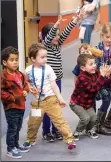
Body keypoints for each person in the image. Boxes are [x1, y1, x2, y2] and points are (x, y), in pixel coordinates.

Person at [22, 43, 76, 150]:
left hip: (50, 100)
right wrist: (29, 88)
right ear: (33, 58)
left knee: (59, 120)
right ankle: (30, 139)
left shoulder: (48, 69)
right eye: (42, 57)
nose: (45, 59)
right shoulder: (28, 70)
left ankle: (69, 139)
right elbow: (26, 82)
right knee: (33, 122)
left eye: (46, 56)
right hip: (37, 103)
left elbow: (54, 85)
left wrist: (60, 98)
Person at [39, 14, 82, 142]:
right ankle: (46, 132)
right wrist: (56, 25)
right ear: (48, 37)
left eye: (58, 34)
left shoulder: (57, 45)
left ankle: (55, 130)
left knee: (56, 106)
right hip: (47, 83)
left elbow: (66, 32)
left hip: (57, 81)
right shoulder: (45, 46)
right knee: (48, 107)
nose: (58, 37)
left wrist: (75, 20)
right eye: (55, 35)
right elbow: (50, 36)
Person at [69, 54, 111, 140]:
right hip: (77, 103)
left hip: (88, 103)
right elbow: (93, 88)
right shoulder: (82, 78)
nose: (94, 65)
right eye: (91, 64)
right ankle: (77, 131)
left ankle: (88, 130)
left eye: (94, 63)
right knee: (85, 118)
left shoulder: (96, 73)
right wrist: (102, 76)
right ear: (83, 68)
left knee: (94, 118)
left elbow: (106, 82)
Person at [1, 46, 30, 159]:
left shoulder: (20, 74)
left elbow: (25, 85)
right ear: (4, 62)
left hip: (21, 106)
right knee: (12, 128)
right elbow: (2, 92)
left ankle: (16, 145)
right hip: (11, 107)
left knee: (18, 127)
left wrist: (25, 91)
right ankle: (10, 148)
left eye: (16, 59)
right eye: (12, 60)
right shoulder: (3, 76)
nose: (15, 62)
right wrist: (13, 98)